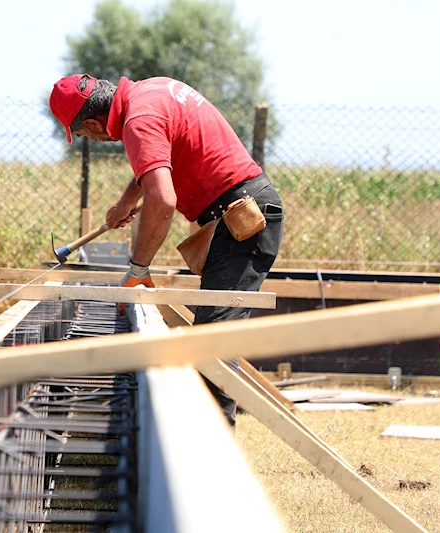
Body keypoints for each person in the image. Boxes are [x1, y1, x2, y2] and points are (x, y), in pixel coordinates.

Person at [49, 74, 285, 428]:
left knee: (213, 342)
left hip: (244, 218)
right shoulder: (151, 91)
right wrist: (128, 199)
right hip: (236, 212)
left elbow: (162, 200)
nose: (93, 138)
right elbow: (163, 156)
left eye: (84, 133)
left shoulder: (137, 121)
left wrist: (139, 269)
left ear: (95, 123)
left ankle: (212, 458)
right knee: (211, 334)